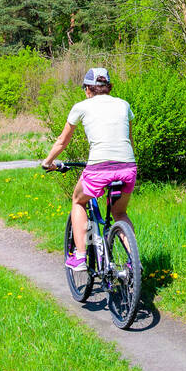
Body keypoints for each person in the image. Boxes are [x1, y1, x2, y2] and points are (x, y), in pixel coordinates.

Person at [41, 68, 136, 270]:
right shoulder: (123, 105)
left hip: (99, 167)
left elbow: (62, 141)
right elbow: (129, 139)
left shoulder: (81, 107)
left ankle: (81, 257)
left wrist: (48, 162)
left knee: (78, 200)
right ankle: (133, 262)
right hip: (128, 167)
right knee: (119, 213)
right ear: (109, 87)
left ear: (87, 89)